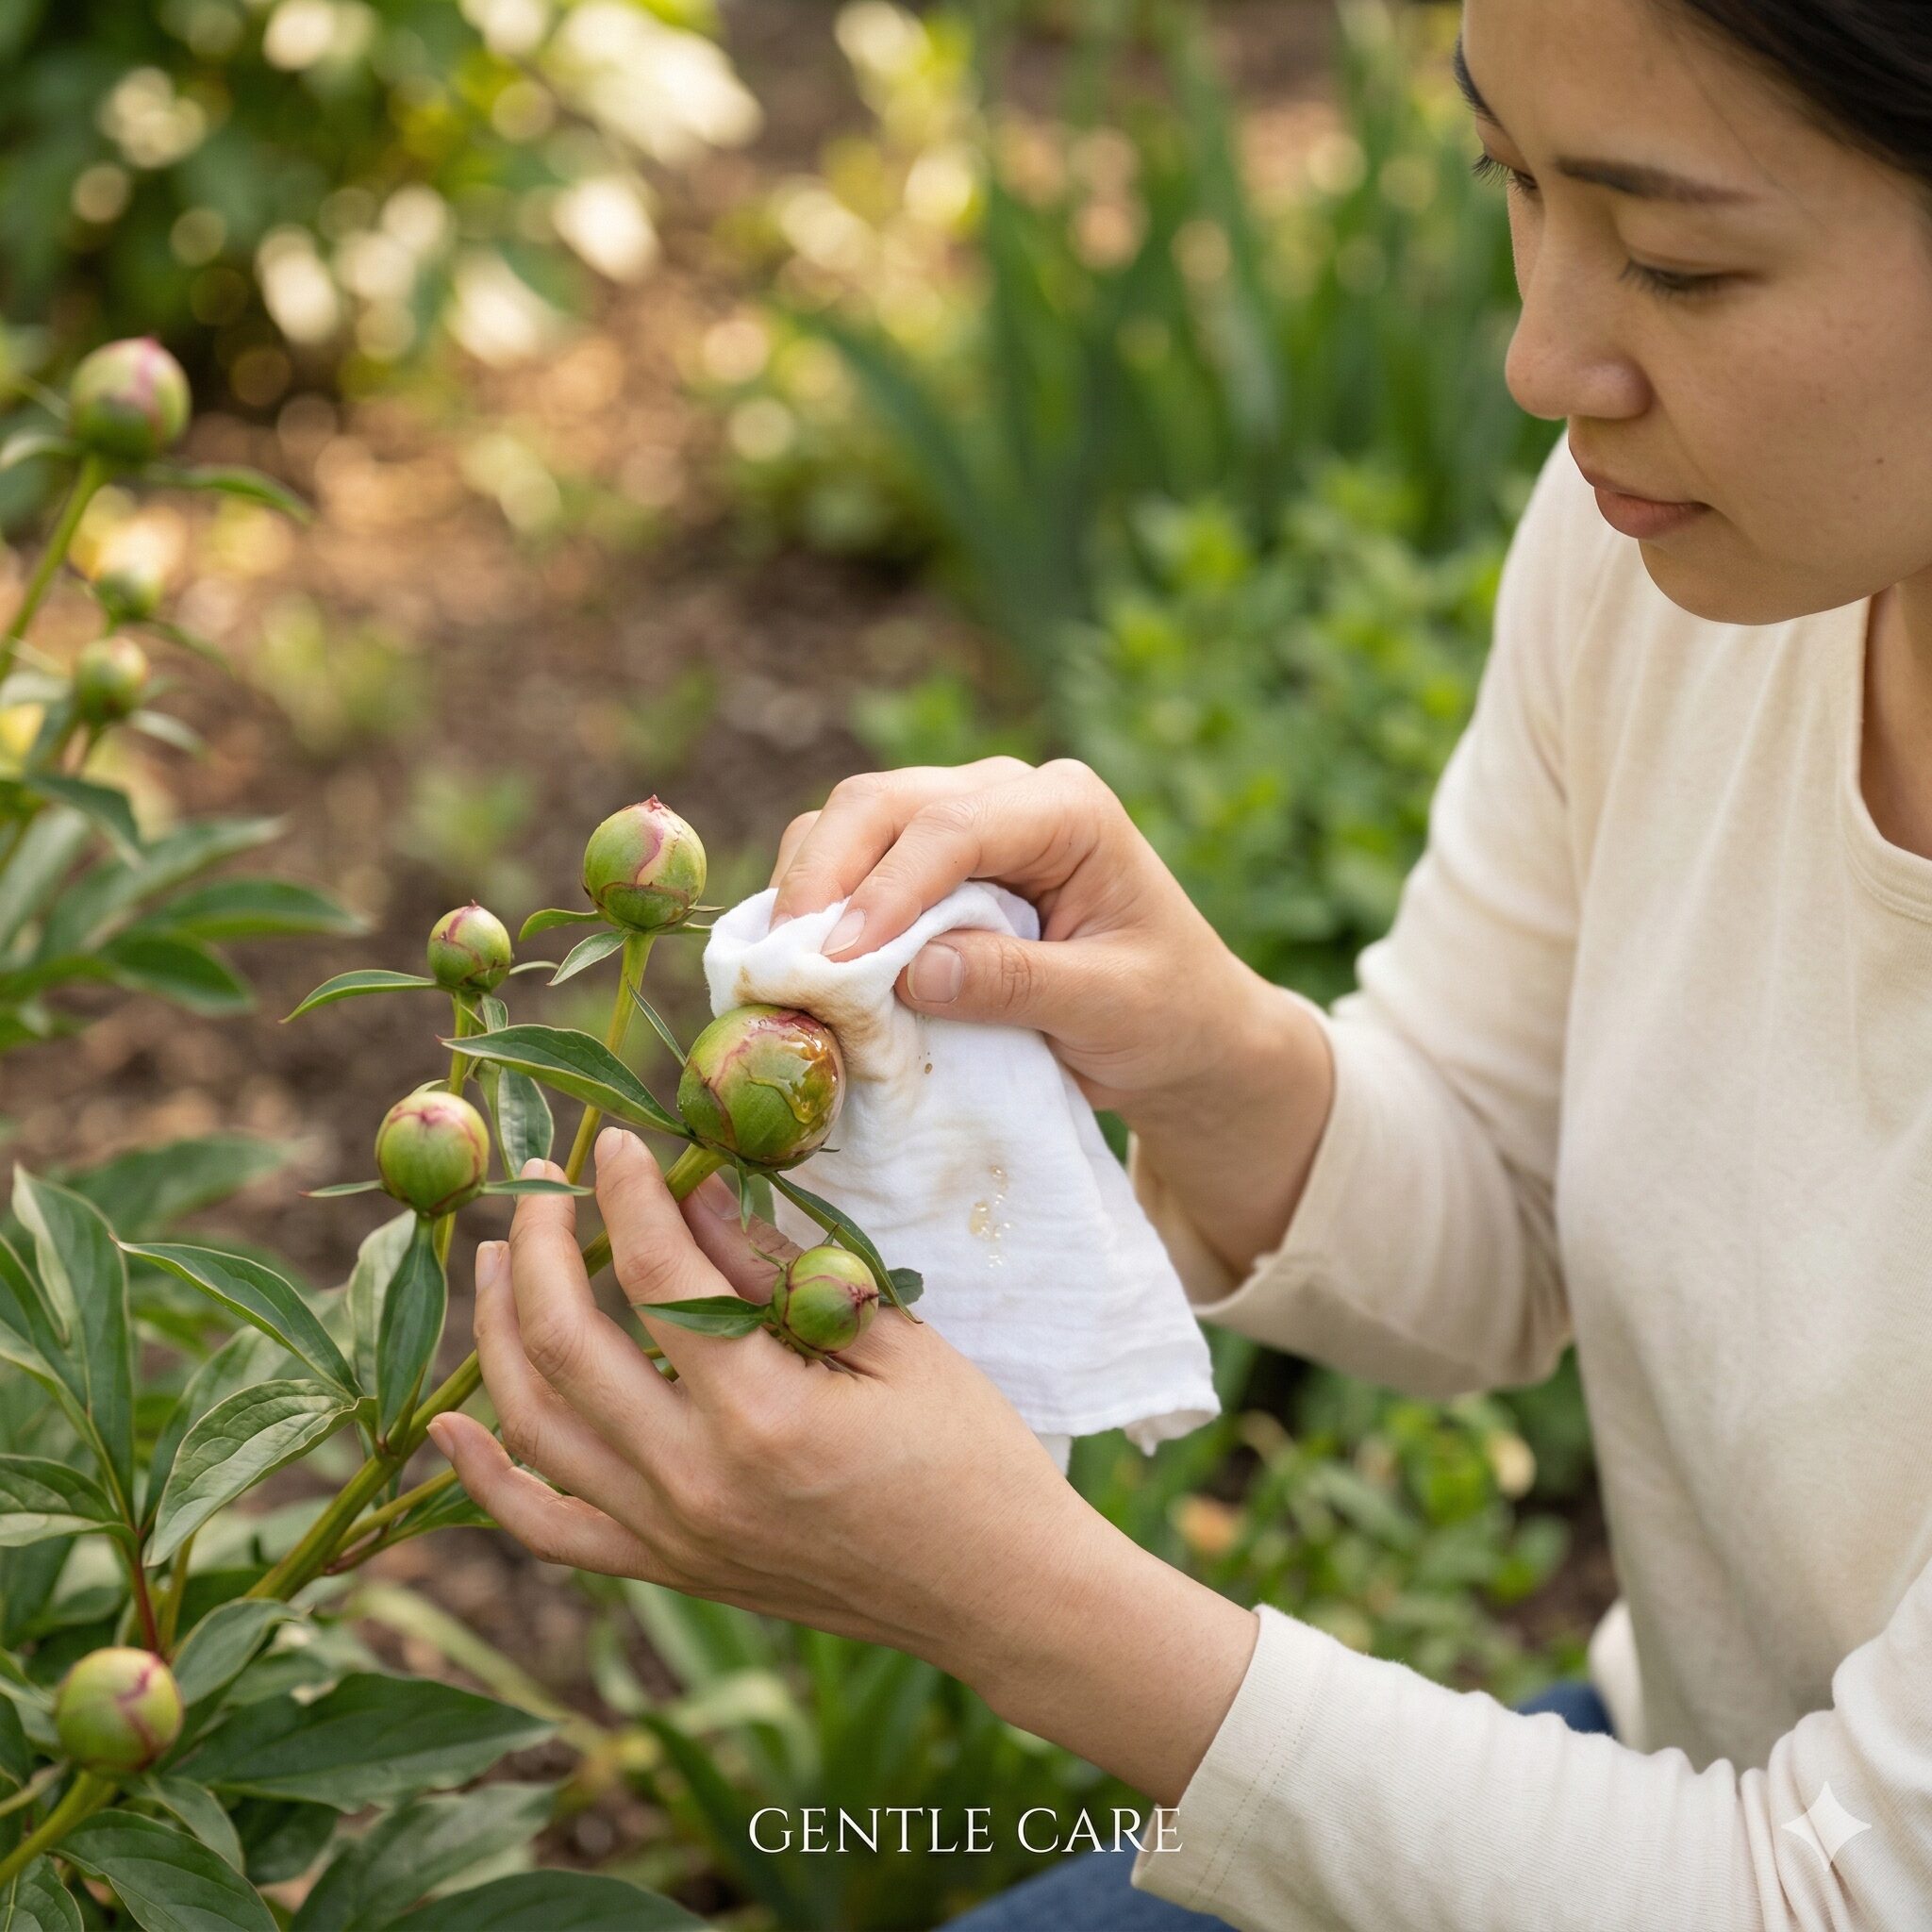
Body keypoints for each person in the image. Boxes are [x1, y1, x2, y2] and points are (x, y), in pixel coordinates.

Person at [427, 0, 1932, 1921]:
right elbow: (1507, 1211)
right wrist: (1205, 1050)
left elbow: (1812, 1897)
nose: (1544, 358)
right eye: (1511, 180)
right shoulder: (1687, 562)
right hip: (1658, 1789)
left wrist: (1007, 1591)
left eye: (1678, 261)